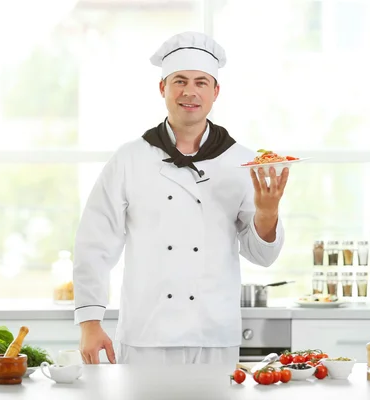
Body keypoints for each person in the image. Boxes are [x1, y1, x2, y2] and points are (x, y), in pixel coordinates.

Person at [73, 31, 289, 367]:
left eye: (201, 82)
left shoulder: (242, 163)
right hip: (147, 334)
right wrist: (90, 322)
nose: (190, 91)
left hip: (214, 334)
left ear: (216, 92)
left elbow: (261, 257)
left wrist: (267, 213)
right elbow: (94, 245)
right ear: (163, 88)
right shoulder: (129, 159)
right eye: (180, 81)